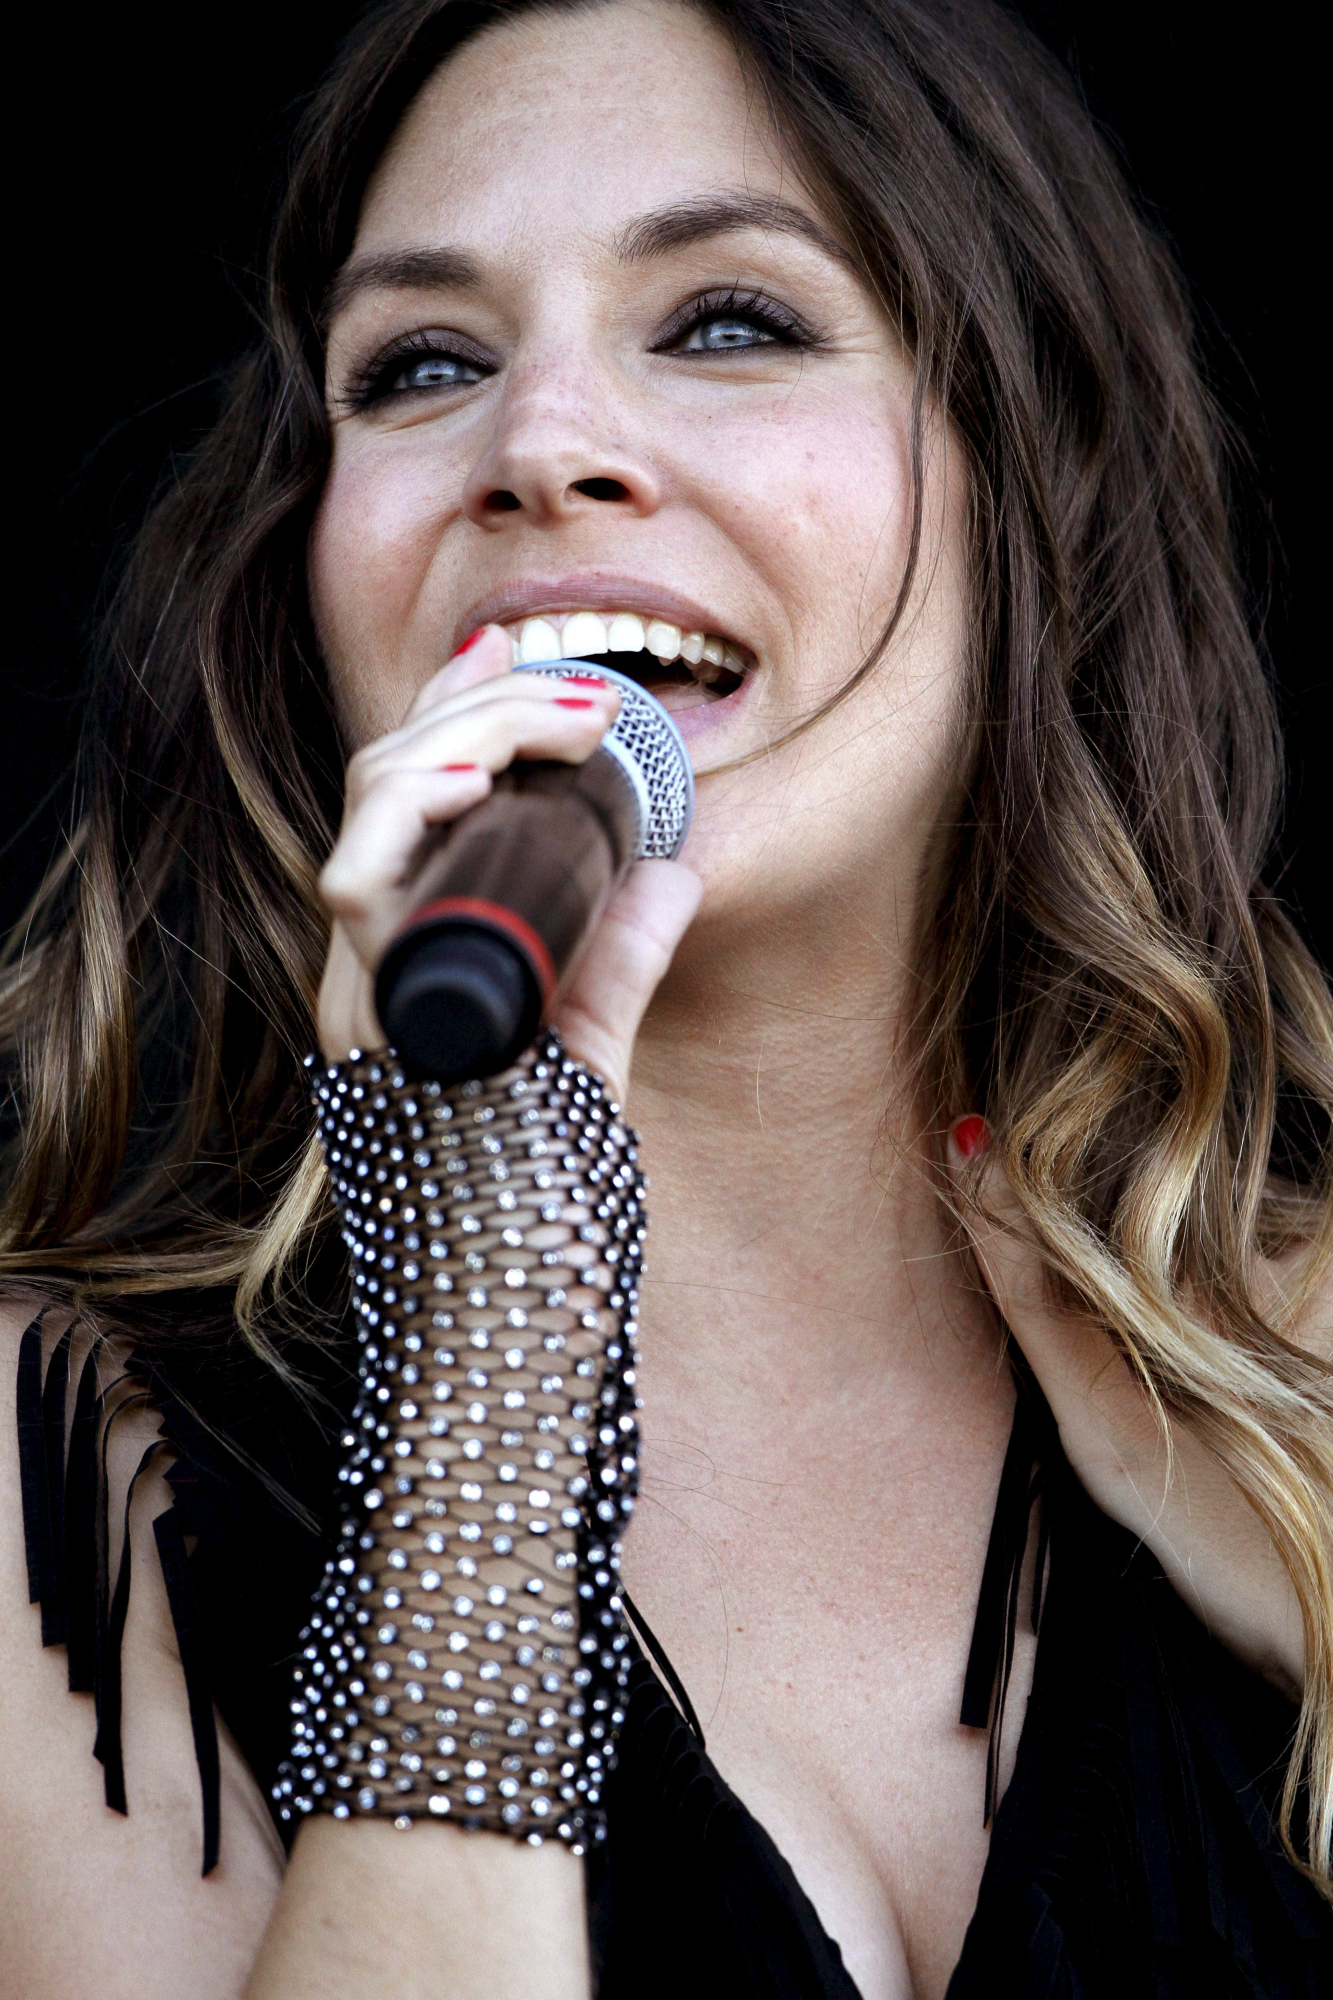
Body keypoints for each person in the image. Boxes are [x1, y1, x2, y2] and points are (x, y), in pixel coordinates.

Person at [1, 1, 1330, 1995]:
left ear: (1025, 478)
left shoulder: (1299, 1327)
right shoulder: (64, 1485)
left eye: (726, 321)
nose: (536, 447)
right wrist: (478, 1372)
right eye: (423, 364)